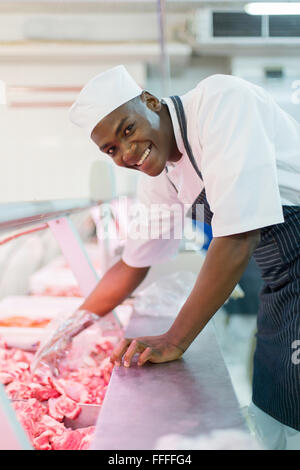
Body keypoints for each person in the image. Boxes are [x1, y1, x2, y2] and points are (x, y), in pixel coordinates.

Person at [32, 65, 300, 446]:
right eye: (111, 149)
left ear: (150, 102)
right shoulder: (163, 175)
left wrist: (175, 339)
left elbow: (238, 236)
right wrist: (69, 327)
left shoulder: (221, 101)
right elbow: (132, 265)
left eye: (128, 129)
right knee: (274, 402)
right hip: (281, 282)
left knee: (293, 412)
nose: (126, 152)